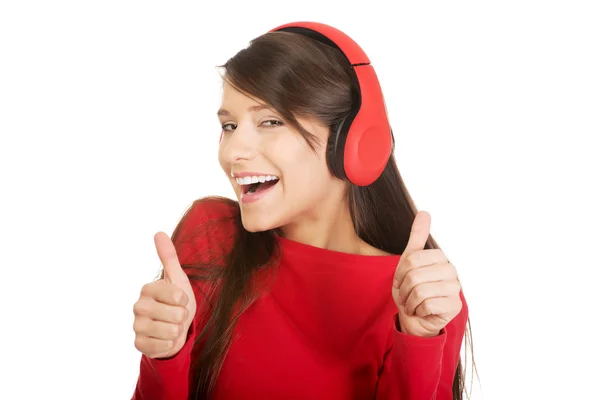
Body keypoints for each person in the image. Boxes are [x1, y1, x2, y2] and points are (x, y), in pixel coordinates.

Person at [131, 22, 471, 400]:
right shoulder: (213, 237)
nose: (232, 153)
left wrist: (418, 340)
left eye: (270, 122)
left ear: (351, 140)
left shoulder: (424, 295)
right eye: (229, 125)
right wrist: (165, 356)